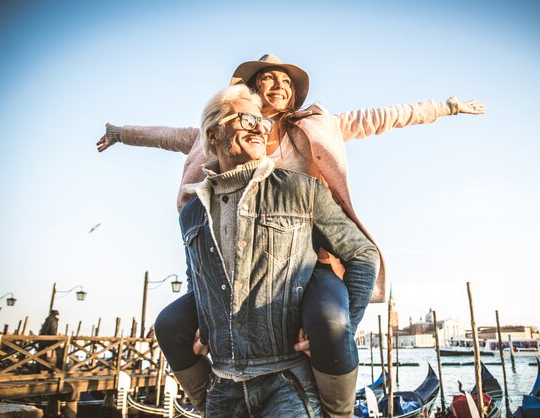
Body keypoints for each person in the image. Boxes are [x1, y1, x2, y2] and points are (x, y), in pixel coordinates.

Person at [98, 54, 485, 417]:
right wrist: (118, 132)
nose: (279, 85)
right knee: (170, 325)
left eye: (286, 81)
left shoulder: (312, 128)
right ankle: (207, 398)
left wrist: (445, 107)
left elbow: (381, 117)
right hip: (234, 259)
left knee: (331, 321)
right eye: (268, 78)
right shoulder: (216, 135)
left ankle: (336, 408)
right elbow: (164, 136)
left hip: (305, 257)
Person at [178, 83, 379, 417]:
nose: (260, 127)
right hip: (222, 386)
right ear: (213, 135)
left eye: (264, 122)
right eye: (246, 119)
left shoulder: (302, 191)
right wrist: (202, 319)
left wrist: (343, 333)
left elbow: (362, 254)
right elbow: (195, 277)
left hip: (289, 381)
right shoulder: (192, 213)